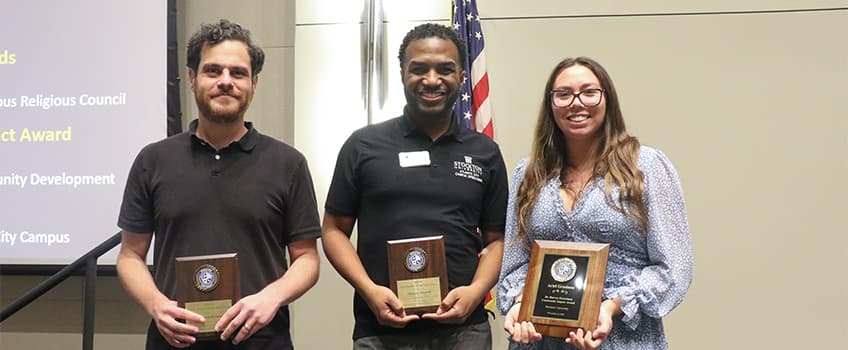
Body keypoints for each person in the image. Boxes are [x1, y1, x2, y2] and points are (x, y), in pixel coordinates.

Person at [116, 19, 321, 350]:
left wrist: (271, 297)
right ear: (193, 79)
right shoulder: (152, 161)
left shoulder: (289, 163)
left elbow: (308, 259)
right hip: (175, 339)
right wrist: (156, 304)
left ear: (254, 84)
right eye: (213, 71)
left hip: (262, 341)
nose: (226, 82)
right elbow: (129, 256)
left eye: (238, 73)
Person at [321, 23, 509, 350]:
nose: (432, 80)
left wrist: (476, 292)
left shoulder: (485, 152)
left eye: (445, 69)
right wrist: (369, 290)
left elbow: (498, 240)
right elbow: (334, 230)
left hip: (464, 330)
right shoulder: (363, 145)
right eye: (419, 69)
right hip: (381, 330)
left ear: (463, 78)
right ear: (402, 74)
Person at [497, 57, 693, 350]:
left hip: (621, 337)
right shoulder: (528, 173)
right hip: (540, 339)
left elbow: (674, 267)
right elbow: (514, 264)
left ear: (607, 99)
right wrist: (519, 303)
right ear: (551, 105)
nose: (576, 102)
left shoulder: (646, 166)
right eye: (563, 94)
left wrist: (612, 306)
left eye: (589, 92)